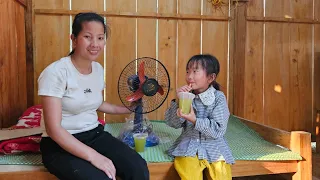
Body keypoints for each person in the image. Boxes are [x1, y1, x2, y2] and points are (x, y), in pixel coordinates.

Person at [38, 12, 149, 180]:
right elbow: (54, 130)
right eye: (88, 37)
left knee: (138, 168)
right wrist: (95, 156)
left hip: (94, 135)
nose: (95, 44)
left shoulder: (97, 69)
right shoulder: (55, 72)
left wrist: (128, 108)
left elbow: (95, 103)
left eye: (100, 38)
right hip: (59, 145)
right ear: (74, 39)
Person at [165, 54, 235, 180]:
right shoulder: (186, 97)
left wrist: (194, 120)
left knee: (222, 174)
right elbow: (172, 123)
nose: (189, 76)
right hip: (188, 146)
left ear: (210, 77)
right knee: (188, 172)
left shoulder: (219, 98)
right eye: (187, 71)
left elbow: (218, 130)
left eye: (195, 71)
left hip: (215, 146)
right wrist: (178, 100)